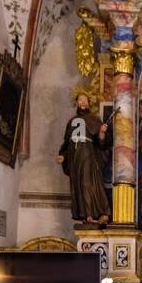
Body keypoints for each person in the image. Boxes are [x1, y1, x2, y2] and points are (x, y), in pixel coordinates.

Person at [57, 93, 112, 226]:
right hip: (75, 158)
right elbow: (67, 143)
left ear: (89, 103)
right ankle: (86, 216)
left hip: (89, 155)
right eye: (80, 100)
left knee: (89, 183)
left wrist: (102, 133)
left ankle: (102, 213)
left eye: (85, 100)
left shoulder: (94, 120)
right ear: (76, 103)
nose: (82, 102)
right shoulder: (71, 122)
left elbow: (102, 144)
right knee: (79, 186)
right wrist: (63, 156)